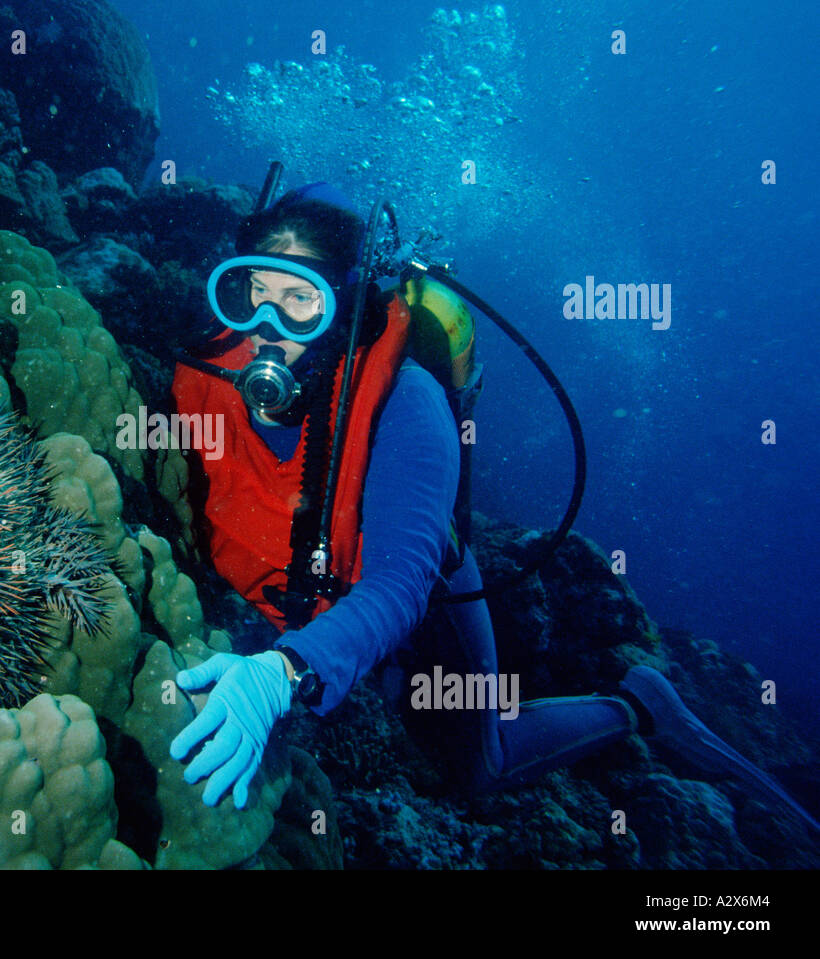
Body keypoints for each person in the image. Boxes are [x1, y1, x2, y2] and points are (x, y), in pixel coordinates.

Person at [167, 184, 820, 836]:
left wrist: (284, 671)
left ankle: (638, 706)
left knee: (481, 766)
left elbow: (400, 585)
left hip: (431, 597)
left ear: (343, 306)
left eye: (301, 301)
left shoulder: (409, 403)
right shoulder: (212, 364)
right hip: (308, 593)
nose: (268, 329)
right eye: (257, 290)